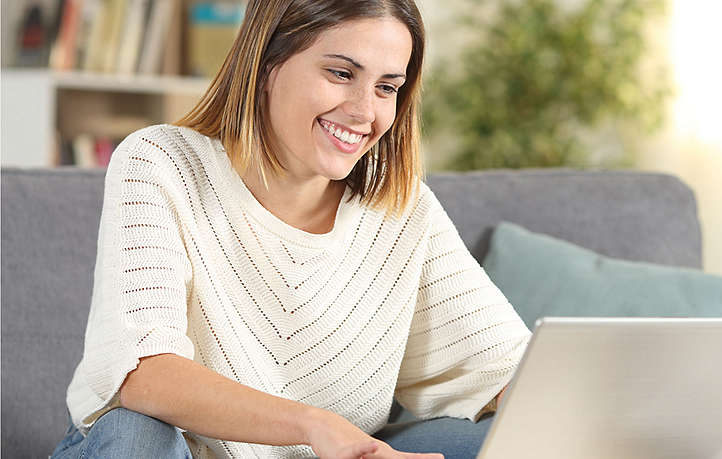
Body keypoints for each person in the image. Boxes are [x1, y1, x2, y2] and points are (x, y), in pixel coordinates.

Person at [50, 1, 531, 458]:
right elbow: (144, 373)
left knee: (502, 440)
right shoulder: (162, 162)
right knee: (138, 430)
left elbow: (508, 370)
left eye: (387, 87)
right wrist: (313, 425)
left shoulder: (401, 208)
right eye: (342, 74)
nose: (365, 111)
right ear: (265, 65)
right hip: (159, 452)